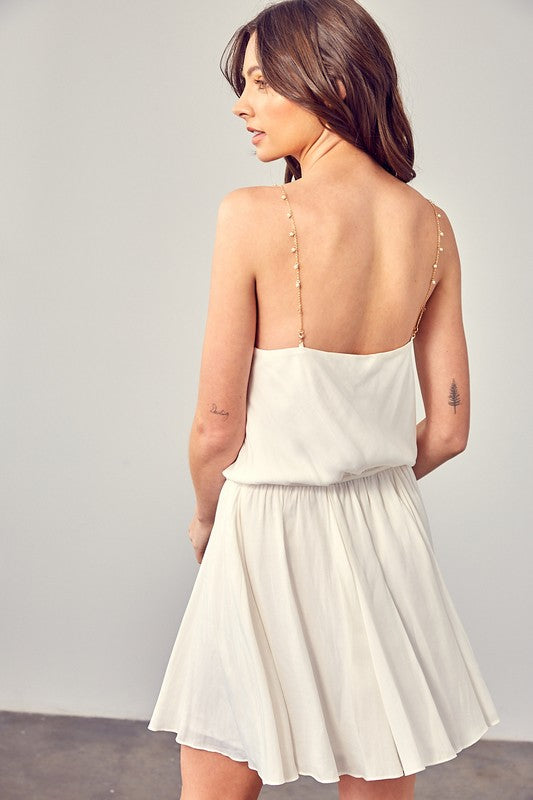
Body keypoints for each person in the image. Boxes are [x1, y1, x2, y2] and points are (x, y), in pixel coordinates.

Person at [147, 1, 500, 798]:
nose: (242, 104)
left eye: (263, 84)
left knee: (218, 772)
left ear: (333, 80)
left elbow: (215, 426)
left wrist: (207, 517)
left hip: (265, 523)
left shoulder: (251, 214)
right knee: (376, 762)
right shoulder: (433, 227)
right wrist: (362, 475)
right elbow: (446, 431)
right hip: (385, 528)